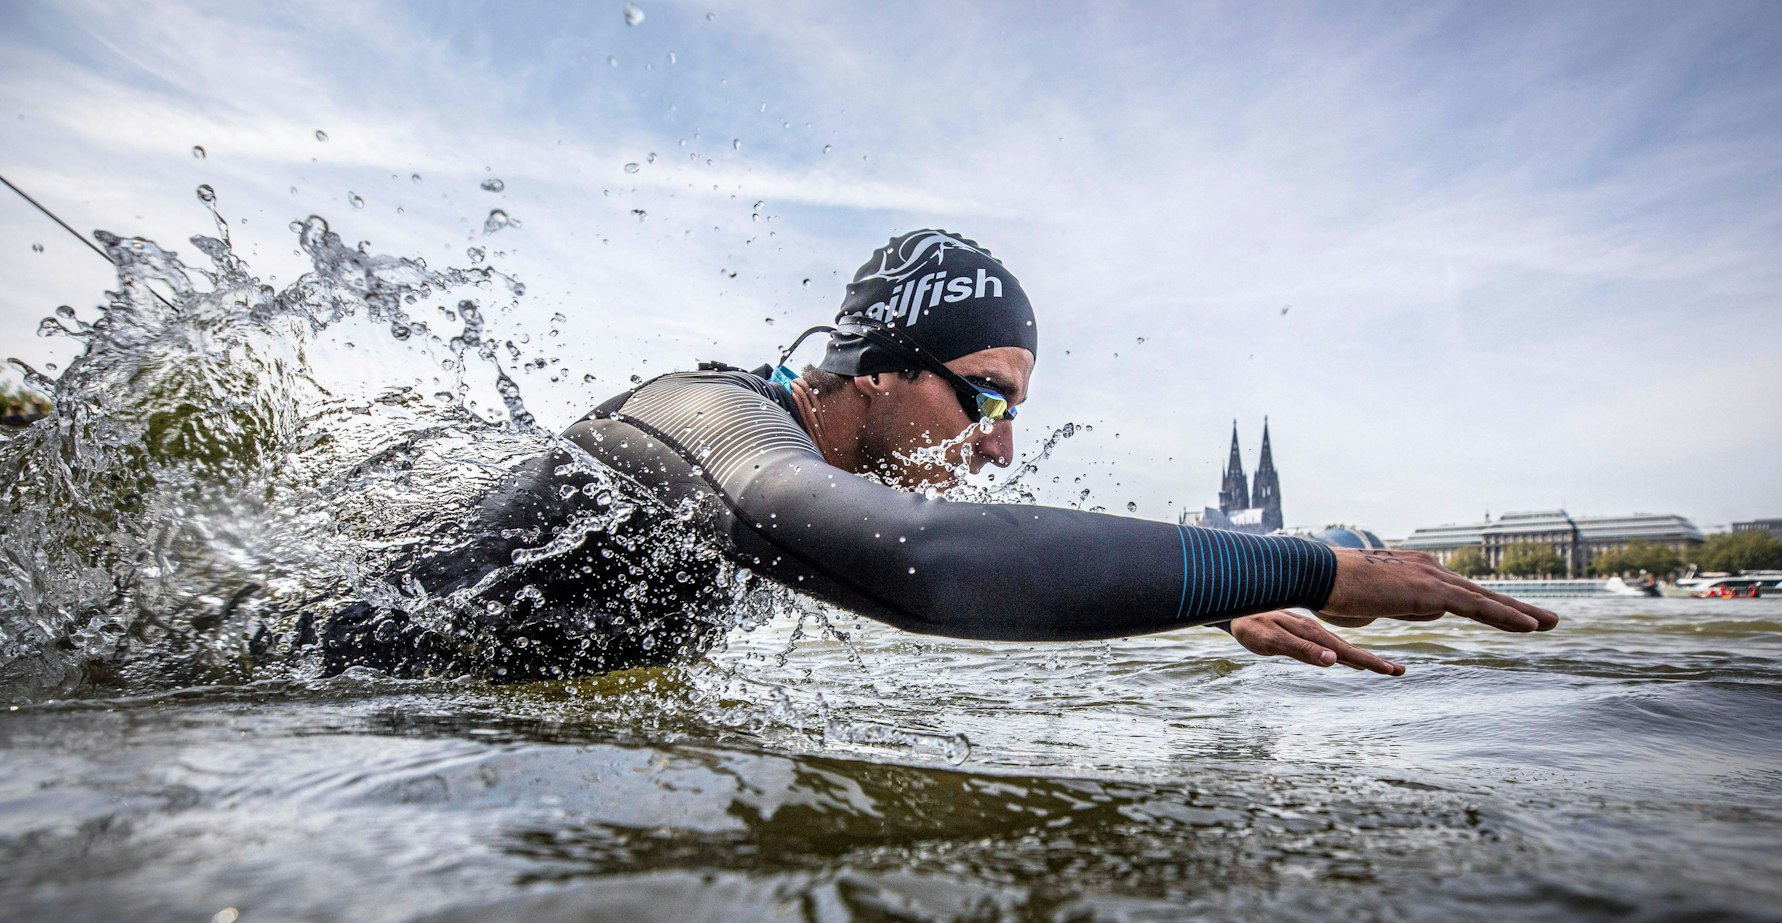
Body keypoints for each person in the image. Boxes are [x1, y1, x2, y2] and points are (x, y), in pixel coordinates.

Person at [315, 230, 1556, 680]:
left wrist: (1194, 611)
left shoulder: (799, 487)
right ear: (878, 366)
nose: (1001, 450)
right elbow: (930, 566)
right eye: (983, 399)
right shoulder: (701, 426)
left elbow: (956, 561)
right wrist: (1298, 568)